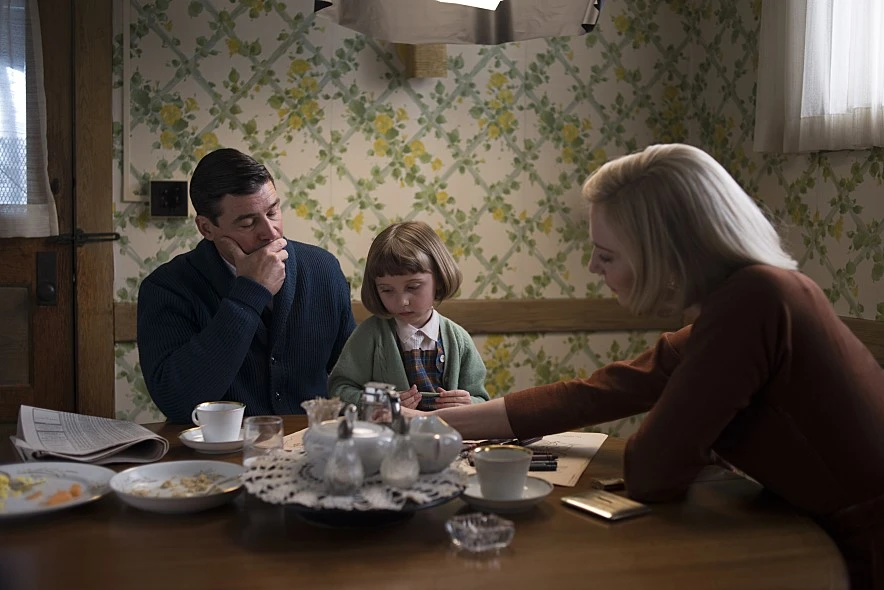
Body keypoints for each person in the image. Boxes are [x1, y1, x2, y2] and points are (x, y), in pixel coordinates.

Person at [420, 144, 884, 589]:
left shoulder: (751, 303)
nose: (593, 266)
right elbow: (598, 392)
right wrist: (430, 423)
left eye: (606, 255)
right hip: (818, 529)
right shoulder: (757, 293)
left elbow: (652, 470)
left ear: (666, 251)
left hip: (862, 550)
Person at [137, 148, 356, 423]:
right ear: (207, 228)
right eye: (248, 223)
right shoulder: (166, 287)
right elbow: (179, 402)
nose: (270, 232)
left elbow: (353, 376)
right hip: (221, 446)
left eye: (273, 212)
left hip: (312, 441)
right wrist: (249, 292)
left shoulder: (323, 269)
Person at [328, 220, 490, 411]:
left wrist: (468, 403)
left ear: (438, 279)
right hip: (389, 431)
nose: (402, 301)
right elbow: (339, 389)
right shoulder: (369, 335)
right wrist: (379, 402)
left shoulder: (459, 339)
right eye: (387, 290)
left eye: (413, 287)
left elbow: (481, 399)